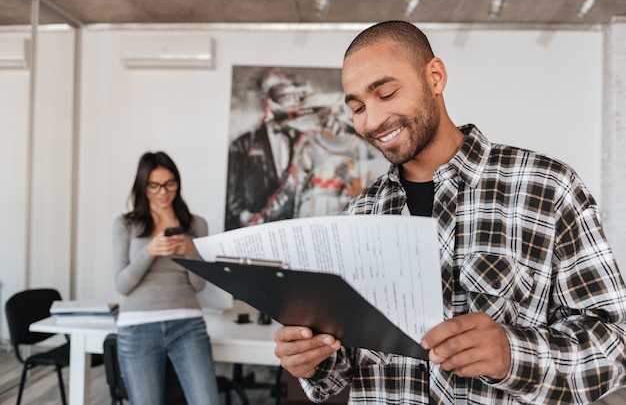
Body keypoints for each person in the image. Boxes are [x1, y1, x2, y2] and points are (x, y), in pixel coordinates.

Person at [273, 20, 626, 404]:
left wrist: (513, 355)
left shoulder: (547, 187)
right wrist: (312, 360)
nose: (372, 121)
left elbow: (615, 343)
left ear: (435, 77)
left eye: (387, 93)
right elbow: (341, 367)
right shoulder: (356, 216)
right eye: (357, 107)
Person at [112, 151, 220, 404]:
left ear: (178, 183)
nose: (163, 191)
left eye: (169, 183)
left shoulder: (196, 225)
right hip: (137, 327)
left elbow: (198, 285)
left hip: (187, 324)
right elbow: (122, 285)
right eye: (154, 185)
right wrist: (149, 251)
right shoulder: (126, 224)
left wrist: (190, 252)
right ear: (142, 186)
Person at [224, 68, 308, 230]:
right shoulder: (243, 143)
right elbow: (233, 195)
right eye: (278, 93)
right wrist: (245, 217)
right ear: (265, 98)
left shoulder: (302, 138)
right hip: (255, 230)